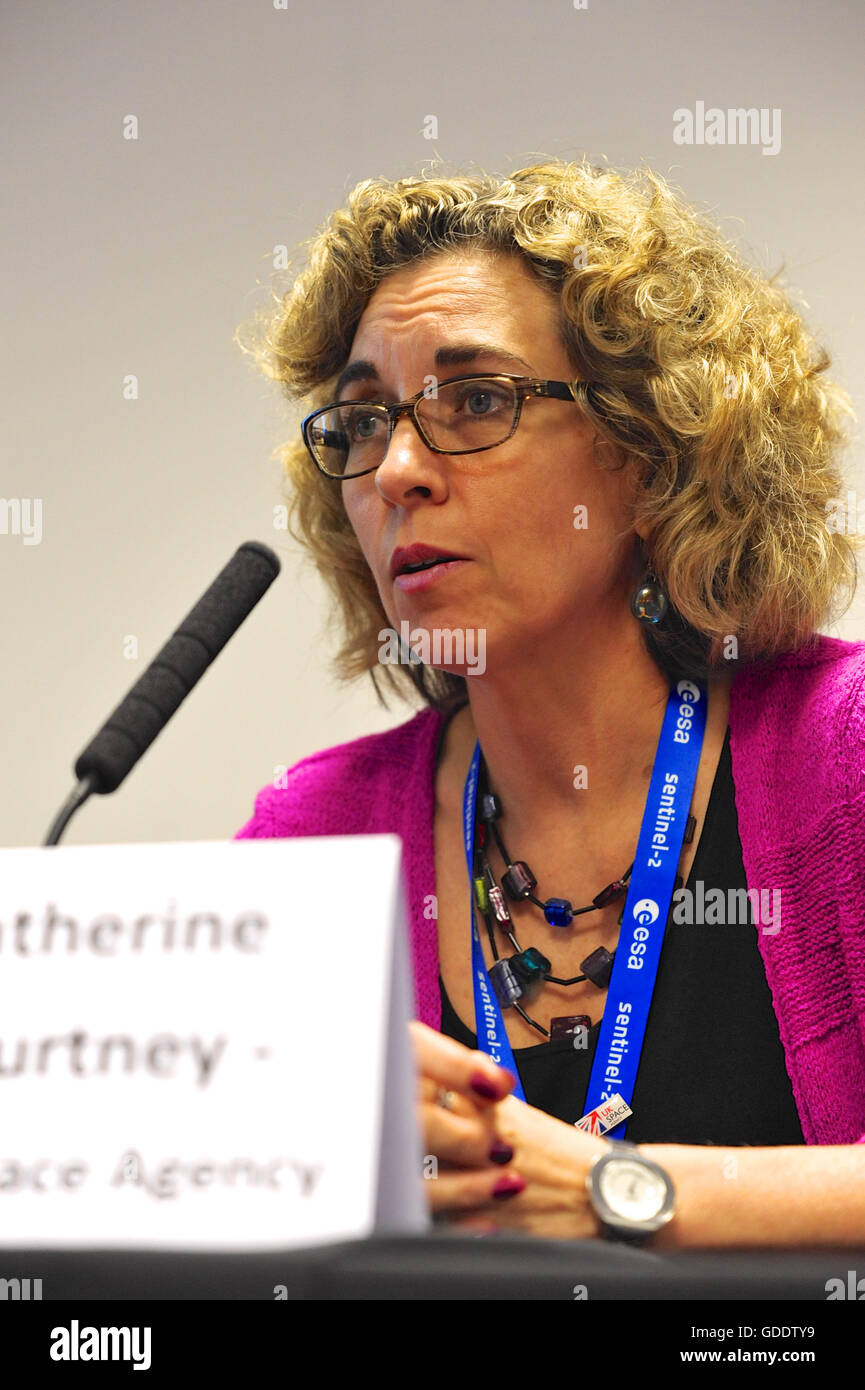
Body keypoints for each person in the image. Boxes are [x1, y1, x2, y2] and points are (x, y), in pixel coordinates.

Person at [234, 158, 865, 1248]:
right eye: (362, 424)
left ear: (646, 453)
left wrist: (632, 1198)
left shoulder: (839, 754)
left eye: (474, 400)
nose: (394, 472)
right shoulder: (313, 837)